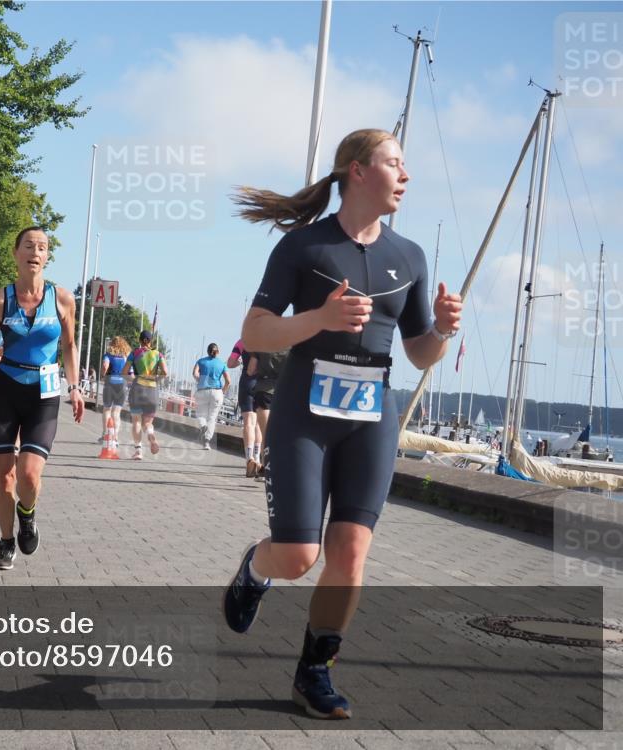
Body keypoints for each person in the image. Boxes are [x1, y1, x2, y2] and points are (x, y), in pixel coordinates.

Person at [222, 129, 462, 719]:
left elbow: (419, 353)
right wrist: (319, 317)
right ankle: (255, 569)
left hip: (370, 418)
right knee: (300, 555)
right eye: (395, 164)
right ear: (357, 171)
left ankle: (316, 671)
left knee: (350, 552)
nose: (405, 176)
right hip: (305, 412)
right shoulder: (305, 247)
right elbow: (254, 331)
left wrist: (444, 332)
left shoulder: (409, 257)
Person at [0, 226, 85, 570]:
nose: (36, 252)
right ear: (16, 253)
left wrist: (75, 387)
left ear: (47, 257)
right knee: (4, 476)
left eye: (43, 247)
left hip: (44, 394)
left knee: (29, 474)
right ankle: (6, 542)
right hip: (4, 391)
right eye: (29, 245)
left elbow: (69, 345)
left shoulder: (62, 299)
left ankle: (27, 514)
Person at [124, 330, 168, 460]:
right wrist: (155, 380)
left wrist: (134, 379)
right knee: (147, 422)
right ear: (151, 341)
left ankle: (138, 451)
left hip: (137, 389)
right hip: (152, 391)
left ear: (140, 340)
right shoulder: (159, 355)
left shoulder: (134, 353)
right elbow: (165, 372)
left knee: (136, 421)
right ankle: (151, 435)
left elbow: (124, 372)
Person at [250, 347, 289, 480]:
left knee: (266, 434)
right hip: (285, 390)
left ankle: (266, 470)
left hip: (264, 390)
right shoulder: (293, 343)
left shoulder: (262, 342)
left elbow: (251, 370)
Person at [229, 340, 263, 477]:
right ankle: (258, 458)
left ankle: (250, 459)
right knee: (259, 424)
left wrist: (241, 362)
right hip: (264, 384)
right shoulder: (270, 339)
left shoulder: (242, 342)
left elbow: (230, 363)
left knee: (249, 422)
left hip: (247, 382)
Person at [192, 343, 230, 450]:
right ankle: (207, 442)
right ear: (218, 351)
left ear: (208, 351)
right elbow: (228, 381)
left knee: (201, 415)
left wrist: (201, 380)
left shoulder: (201, 361)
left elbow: (195, 374)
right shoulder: (222, 364)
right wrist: (223, 391)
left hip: (203, 391)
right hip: (217, 393)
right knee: (212, 418)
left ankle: (203, 427)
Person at [101, 335, 131, 445]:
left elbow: (105, 365)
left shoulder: (108, 355)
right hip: (121, 385)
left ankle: (105, 434)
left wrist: (103, 375)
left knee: (107, 409)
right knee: (116, 412)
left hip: (110, 383)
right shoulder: (126, 356)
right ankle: (115, 437)